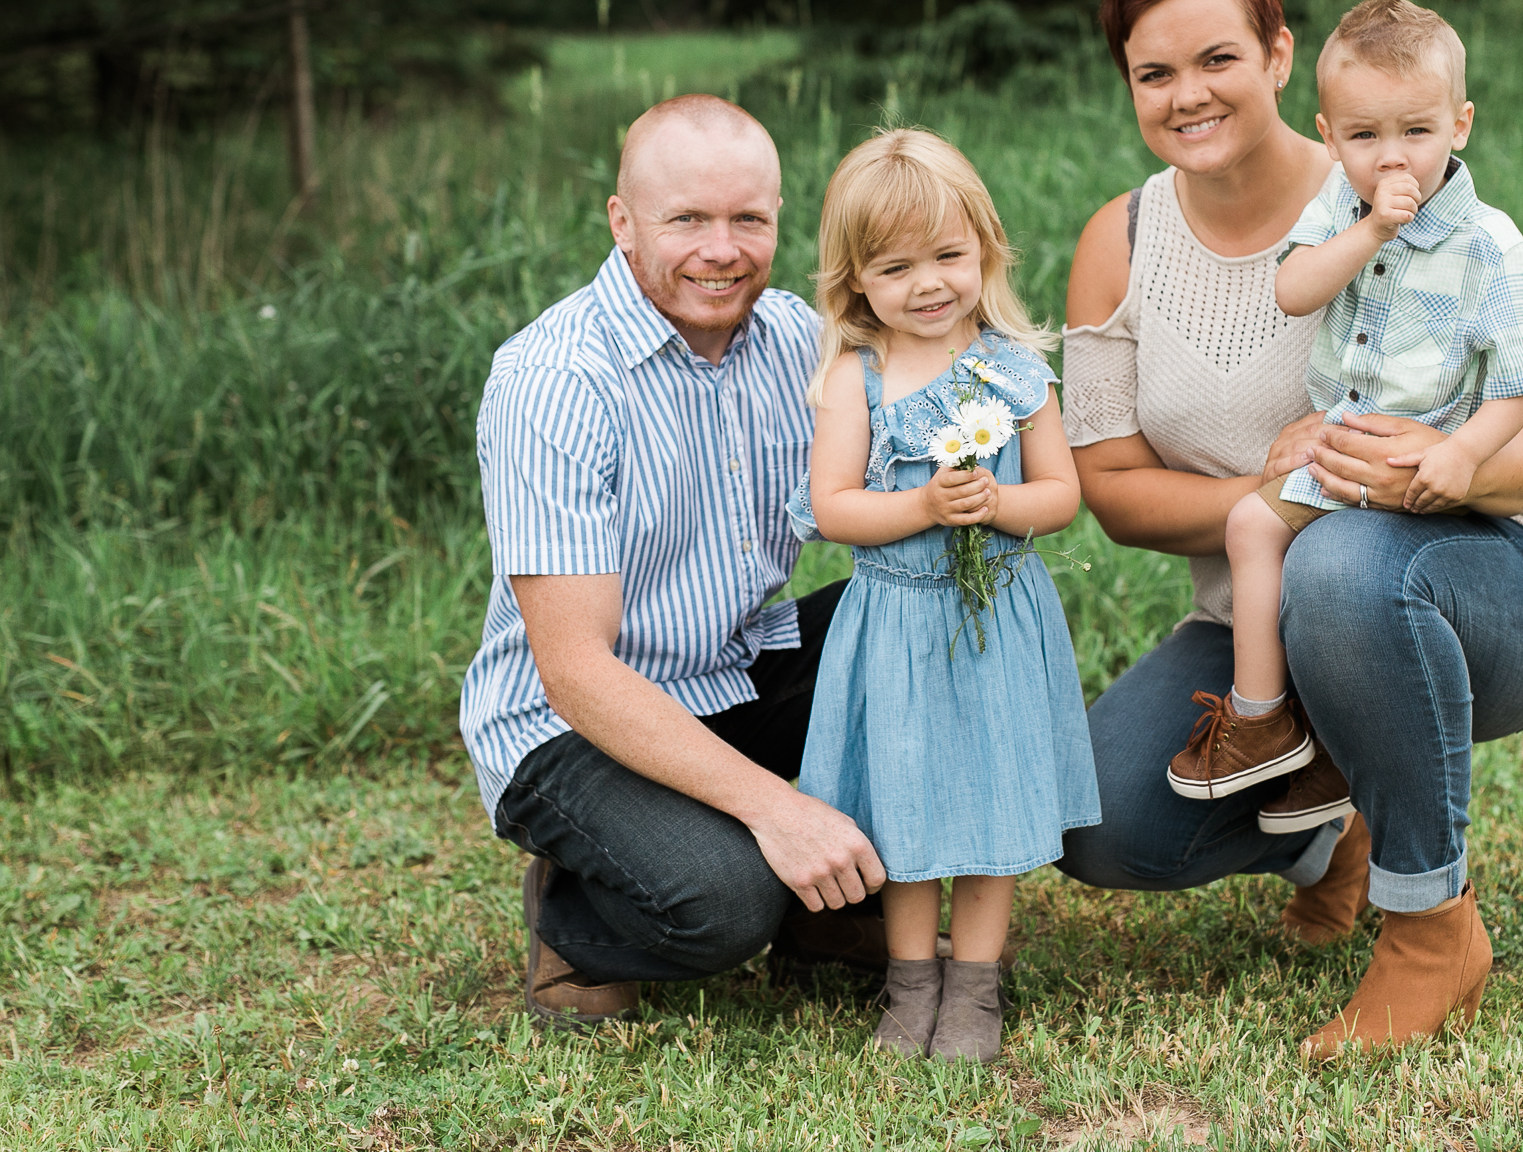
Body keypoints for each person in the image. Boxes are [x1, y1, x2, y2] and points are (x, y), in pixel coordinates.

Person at [1055, 0, 1523, 1060]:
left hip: (1480, 582)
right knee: (1099, 822)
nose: (1187, 94)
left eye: (1216, 57)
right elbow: (1109, 492)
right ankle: (1331, 832)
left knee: (1346, 562)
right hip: (1260, 615)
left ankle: (1429, 928)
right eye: (1152, 73)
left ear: (1274, 57)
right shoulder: (1117, 241)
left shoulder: (1392, 175)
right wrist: (1275, 481)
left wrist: (1433, 466)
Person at [460, 94, 889, 1030]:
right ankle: (573, 924)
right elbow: (574, 672)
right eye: (686, 218)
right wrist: (780, 809)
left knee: (920, 627)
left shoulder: (795, 342)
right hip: (569, 724)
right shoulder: (556, 378)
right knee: (726, 902)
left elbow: (927, 431)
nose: (721, 249)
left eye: (748, 219)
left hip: (729, 669)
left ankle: (836, 922)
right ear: (623, 221)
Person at [1167, 0, 1523, 852]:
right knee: (1250, 522)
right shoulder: (1339, 212)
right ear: (1329, 132)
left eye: (1416, 132)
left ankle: (1412, 865)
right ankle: (1266, 720)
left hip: (1439, 488)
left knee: (1341, 571)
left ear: (1460, 124)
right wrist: (1373, 230)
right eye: (1363, 137)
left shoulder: (1488, 246)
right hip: (1344, 461)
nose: (1392, 158)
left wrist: (1463, 456)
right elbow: (1294, 288)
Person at [789, 129, 1099, 1063]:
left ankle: (975, 986)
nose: (929, 283)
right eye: (897, 266)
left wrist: (999, 503)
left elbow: (1064, 495)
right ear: (856, 282)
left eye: (949, 257)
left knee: (993, 802)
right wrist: (922, 502)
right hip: (896, 619)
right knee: (908, 802)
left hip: (995, 616)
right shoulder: (859, 377)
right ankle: (909, 980)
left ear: (986, 250)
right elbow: (833, 507)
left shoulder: (1013, 365)